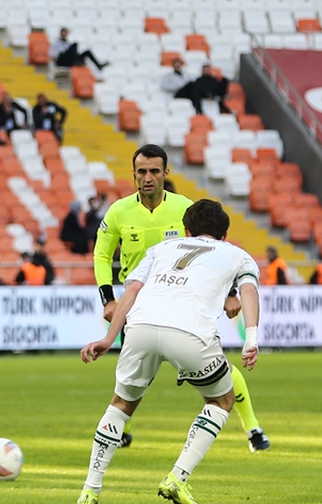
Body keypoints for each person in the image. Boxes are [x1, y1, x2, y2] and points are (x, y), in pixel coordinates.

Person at [79, 199, 261, 504]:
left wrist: (110, 337)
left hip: (141, 327)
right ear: (225, 234)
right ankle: (178, 477)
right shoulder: (237, 254)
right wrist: (252, 338)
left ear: (187, 230)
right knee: (221, 400)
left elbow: (132, 290)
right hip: (190, 332)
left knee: (121, 404)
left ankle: (90, 490)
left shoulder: (163, 248)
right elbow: (248, 292)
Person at [94, 144, 270, 452]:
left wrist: (229, 293)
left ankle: (253, 427)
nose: (148, 178)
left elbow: (212, 250)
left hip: (184, 300)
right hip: (137, 305)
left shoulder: (185, 208)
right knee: (132, 380)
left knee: (220, 368)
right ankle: (124, 431)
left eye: (154, 171)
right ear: (134, 174)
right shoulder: (118, 212)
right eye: (142, 172)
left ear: (165, 173)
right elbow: (101, 255)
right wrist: (107, 298)